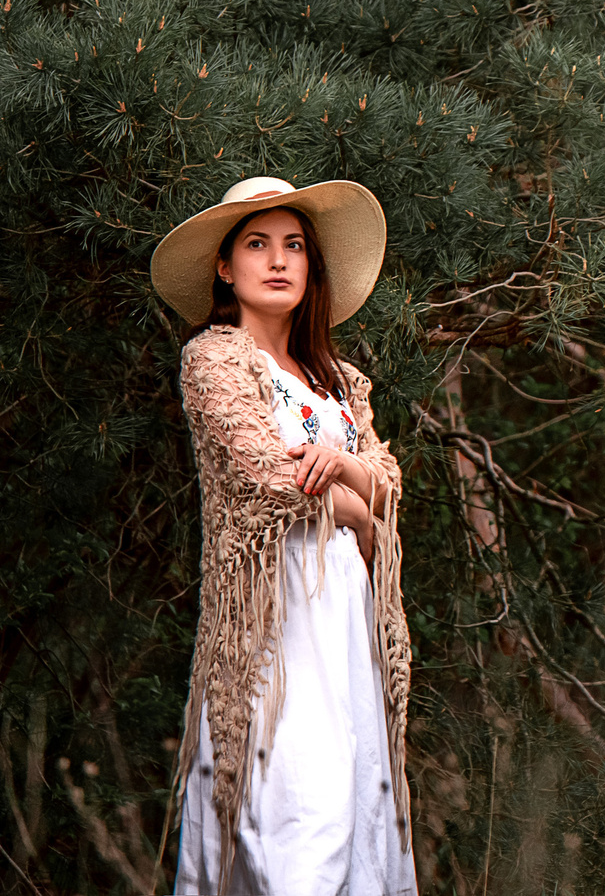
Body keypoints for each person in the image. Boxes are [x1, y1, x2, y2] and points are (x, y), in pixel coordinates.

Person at [153, 176, 416, 896]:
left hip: (344, 628)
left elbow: (390, 478)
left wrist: (352, 474)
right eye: (258, 244)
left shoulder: (339, 380)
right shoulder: (216, 358)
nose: (279, 260)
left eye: (294, 245)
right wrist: (357, 503)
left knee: (353, 804)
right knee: (298, 818)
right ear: (224, 266)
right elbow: (266, 472)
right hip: (271, 627)